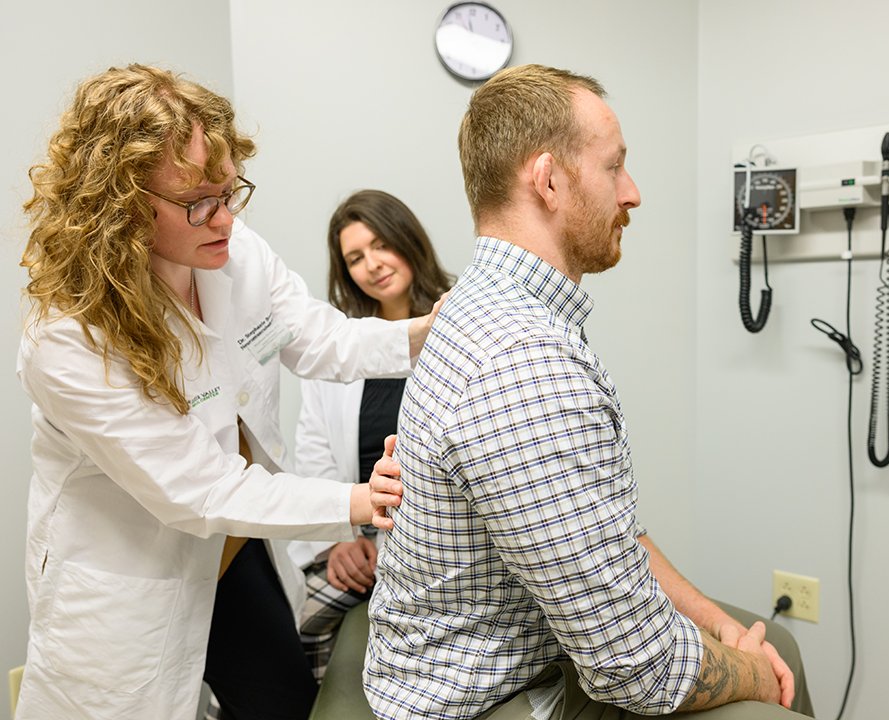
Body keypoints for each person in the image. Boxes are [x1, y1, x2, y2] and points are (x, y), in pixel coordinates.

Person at [363, 64, 814, 720]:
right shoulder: (521, 368)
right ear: (548, 180)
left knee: (777, 647)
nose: (631, 193)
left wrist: (716, 624)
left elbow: (609, 532)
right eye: (614, 168)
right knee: (776, 686)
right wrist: (752, 673)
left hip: (514, 647)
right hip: (485, 697)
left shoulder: (481, 306)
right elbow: (639, 671)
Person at [16, 64, 437, 720]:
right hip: (129, 581)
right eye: (199, 204)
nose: (226, 220)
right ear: (123, 204)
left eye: (230, 190)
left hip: (231, 551)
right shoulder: (69, 337)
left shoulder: (231, 253)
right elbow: (201, 489)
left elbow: (319, 338)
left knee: (286, 705)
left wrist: (423, 333)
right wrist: (361, 500)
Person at [290, 189, 454, 678]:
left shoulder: (461, 320)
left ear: (408, 240)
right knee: (291, 638)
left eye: (381, 244)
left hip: (441, 544)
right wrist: (338, 539)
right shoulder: (339, 346)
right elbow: (315, 455)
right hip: (358, 538)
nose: (373, 265)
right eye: (356, 258)